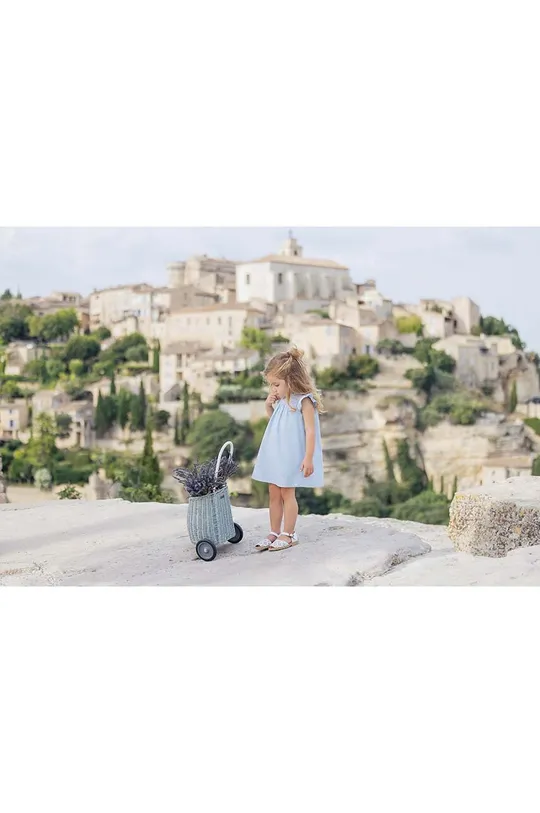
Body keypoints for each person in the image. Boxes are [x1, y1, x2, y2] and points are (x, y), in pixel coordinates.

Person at [252, 347, 325, 551]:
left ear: (291, 380)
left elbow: (310, 431)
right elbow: (276, 421)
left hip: (291, 455)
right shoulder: (282, 401)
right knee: (273, 492)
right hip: (275, 453)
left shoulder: (304, 401)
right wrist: (269, 406)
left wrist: (308, 458)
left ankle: (290, 533)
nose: (273, 389)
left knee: (286, 492)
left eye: (276, 384)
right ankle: (274, 531)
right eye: (271, 385)